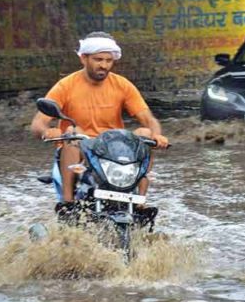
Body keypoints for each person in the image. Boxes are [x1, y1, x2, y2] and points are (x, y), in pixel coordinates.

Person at [30, 32, 169, 220]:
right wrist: (47, 131)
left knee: (144, 134)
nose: (104, 65)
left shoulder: (122, 85)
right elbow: (38, 123)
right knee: (73, 132)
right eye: (98, 59)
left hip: (113, 148)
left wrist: (157, 135)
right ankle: (67, 204)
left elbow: (149, 119)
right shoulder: (66, 85)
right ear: (83, 58)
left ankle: (139, 202)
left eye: (108, 60)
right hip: (80, 148)